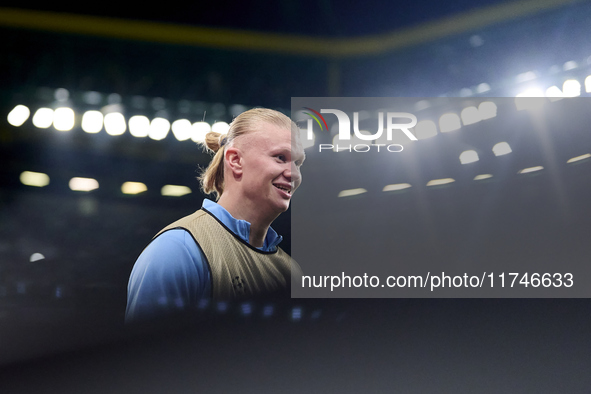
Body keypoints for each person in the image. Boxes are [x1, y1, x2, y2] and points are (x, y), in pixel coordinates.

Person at [125, 108, 305, 322]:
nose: (294, 173)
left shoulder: (292, 272)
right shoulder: (177, 251)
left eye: (298, 163)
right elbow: (146, 354)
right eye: (280, 157)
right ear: (236, 160)